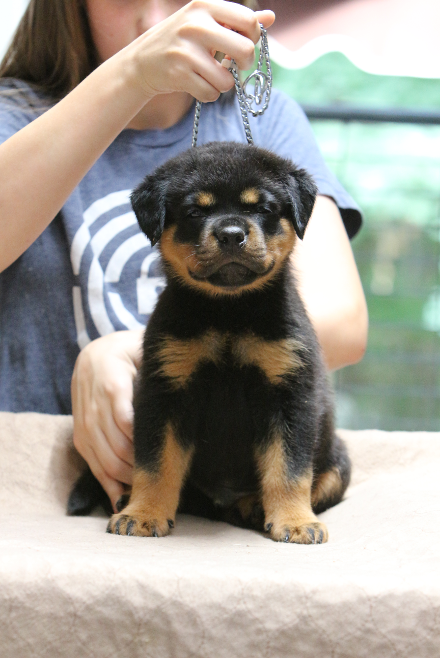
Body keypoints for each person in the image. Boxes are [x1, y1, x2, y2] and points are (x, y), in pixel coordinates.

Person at [0, 0, 368, 511]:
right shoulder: (11, 115)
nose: (158, 20)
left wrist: (132, 348)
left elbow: (345, 326)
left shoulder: (266, 119)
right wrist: (132, 75)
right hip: (33, 486)